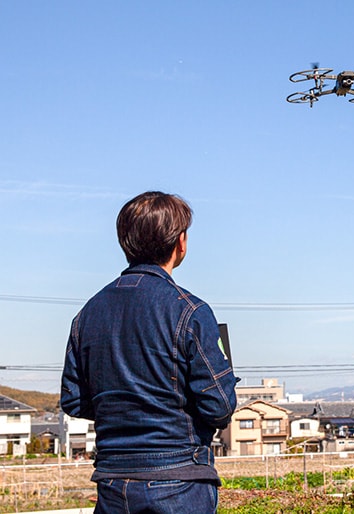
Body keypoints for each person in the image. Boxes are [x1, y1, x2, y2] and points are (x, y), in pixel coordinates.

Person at [60, 191, 237, 513]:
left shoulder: (88, 313)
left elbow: (73, 399)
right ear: (180, 242)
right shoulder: (189, 311)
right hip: (178, 478)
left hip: (112, 481)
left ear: (125, 242)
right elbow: (220, 405)